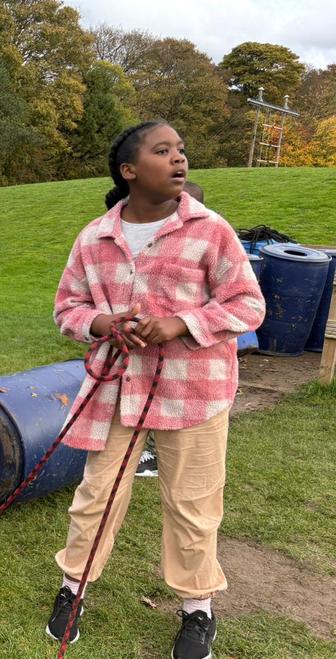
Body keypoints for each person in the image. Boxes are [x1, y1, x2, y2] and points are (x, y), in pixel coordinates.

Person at [45, 122, 265, 659]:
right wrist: (102, 324)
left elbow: (248, 304)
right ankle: (74, 589)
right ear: (128, 170)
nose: (179, 159)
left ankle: (197, 607)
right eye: (162, 151)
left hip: (194, 391)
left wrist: (180, 324)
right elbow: (66, 308)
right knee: (97, 494)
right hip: (116, 389)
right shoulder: (94, 237)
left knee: (191, 502)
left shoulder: (211, 230)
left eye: (181, 150)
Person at [134, 178, 207, 480]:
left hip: (190, 356)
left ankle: (157, 453)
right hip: (144, 351)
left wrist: (181, 325)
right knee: (144, 400)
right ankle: (145, 452)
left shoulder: (208, 243)